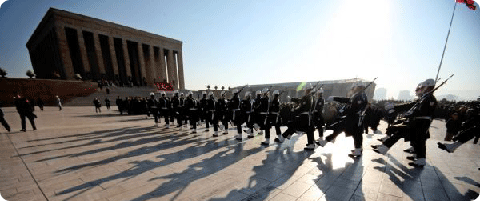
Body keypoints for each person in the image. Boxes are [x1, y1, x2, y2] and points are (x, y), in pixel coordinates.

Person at [373, 79, 437, 167]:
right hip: (416, 122)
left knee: (413, 137)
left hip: (421, 123)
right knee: (415, 139)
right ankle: (420, 159)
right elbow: (410, 105)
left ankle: (384, 148)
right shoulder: (425, 97)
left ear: (427, 87)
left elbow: (424, 112)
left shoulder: (430, 99)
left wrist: (411, 113)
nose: (421, 89)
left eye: (422, 87)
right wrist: (395, 107)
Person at [321, 81, 368, 157]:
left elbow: (354, 108)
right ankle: (358, 150)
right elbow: (348, 100)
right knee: (356, 134)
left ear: (358, 87)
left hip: (353, 118)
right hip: (355, 118)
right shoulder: (359, 95)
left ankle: (326, 141)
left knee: (339, 127)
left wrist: (343, 111)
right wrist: (335, 98)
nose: (353, 89)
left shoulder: (360, 96)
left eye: (354, 87)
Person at [274, 84, 315, 151]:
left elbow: (303, 106)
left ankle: (283, 138)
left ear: (307, 90)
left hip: (304, 117)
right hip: (306, 116)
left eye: (305, 90)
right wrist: (292, 99)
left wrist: (295, 110)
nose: (305, 91)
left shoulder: (308, 97)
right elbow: (301, 100)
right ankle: (311, 144)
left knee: (293, 125)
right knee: (308, 130)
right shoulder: (309, 96)